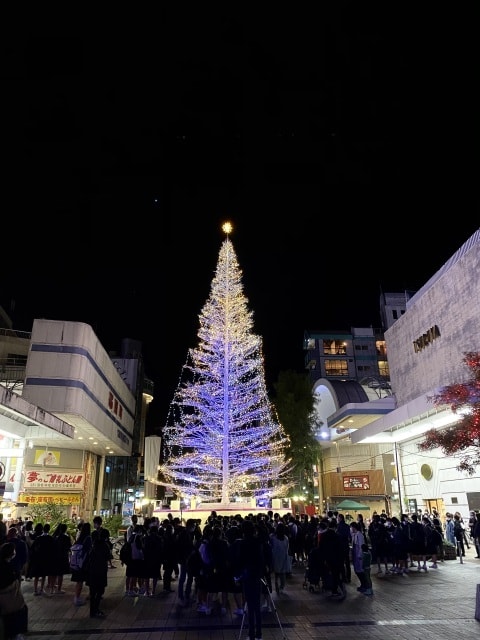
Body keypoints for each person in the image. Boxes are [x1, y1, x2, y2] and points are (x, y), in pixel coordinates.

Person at [234, 519, 267, 640]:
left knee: (249, 605)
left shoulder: (242, 543)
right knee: (257, 606)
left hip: (247, 576)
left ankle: (251, 633)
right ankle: (259, 634)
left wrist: (238, 575)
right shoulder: (257, 541)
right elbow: (265, 534)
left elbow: (240, 561)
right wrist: (258, 524)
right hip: (257, 575)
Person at [0, 541, 28, 640]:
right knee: (18, 613)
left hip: (6, 599)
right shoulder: (9, 567)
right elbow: (10, 583)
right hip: (9, 598)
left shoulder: (5, 564)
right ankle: (16, 634)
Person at [85, 529, 110, 618]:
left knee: (93, 592)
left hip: (92, 571)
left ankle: (93, 611)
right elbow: (108, 556)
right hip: (100, 571)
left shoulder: (93, 545)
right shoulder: (104, 545)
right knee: (99, 591)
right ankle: (95, 609)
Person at [71, 521, 92, 605]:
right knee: (82, 581)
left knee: (79, 581)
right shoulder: (88, 538)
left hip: (77, 563)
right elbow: (89, 550)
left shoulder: (80, 538)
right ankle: (78, 598)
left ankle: (77, 597)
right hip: (83, 563)